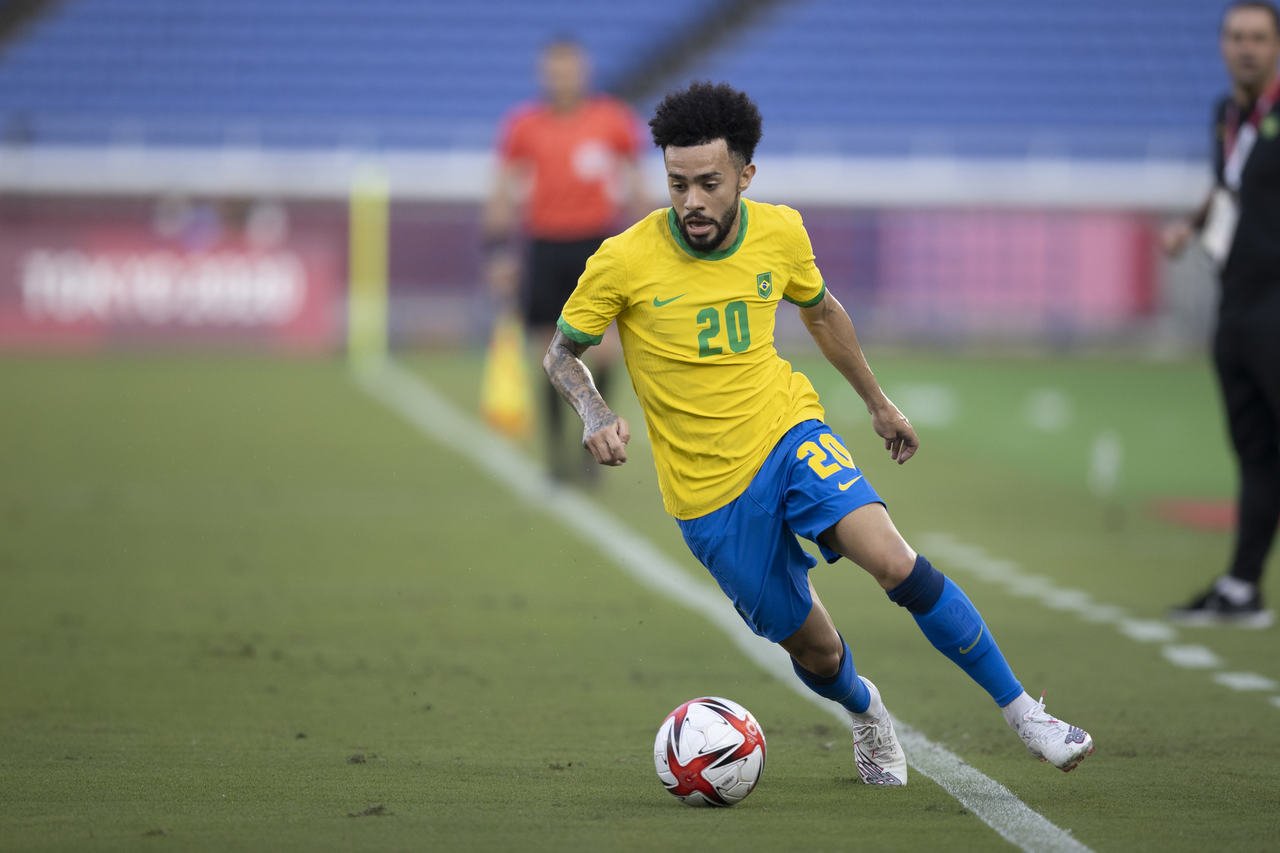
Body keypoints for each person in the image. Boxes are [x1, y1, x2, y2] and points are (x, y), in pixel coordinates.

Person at [543, 81, 1093, 785]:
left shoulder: (780, 231)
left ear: (745, 174)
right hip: (708, 496)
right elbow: (560, 352)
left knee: (895, 562)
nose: (692, 202)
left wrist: (878, 402)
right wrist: (593, 412)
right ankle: (866, 711)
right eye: (677, 184)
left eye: (709, 183)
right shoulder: (624, 258)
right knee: (820, 652)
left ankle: (1026, 713)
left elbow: (823, 313)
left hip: (787, 432)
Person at [483, 36, 649, 483]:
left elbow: (637, 187)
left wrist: (652, 245)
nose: (562, 78)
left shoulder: (611, 120)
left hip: (596, 247)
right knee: (549, 354)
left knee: (608, 351)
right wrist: (497, 251)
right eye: (554, 70)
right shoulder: (525, 126)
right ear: (544, 75)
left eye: (570, 69)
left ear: (584, 71)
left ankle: (596, 443)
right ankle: (557, 457)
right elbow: (503, 188)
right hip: (544, 246)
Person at [1163, 1, 1280, 628]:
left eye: (1259, 37)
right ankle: (1241, 588)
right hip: (1237, 304)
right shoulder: (1227, 115)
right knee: (1256, 450)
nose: (1247, 48)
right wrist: (1192, 226)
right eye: (1236, 36)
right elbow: (1228, 186)